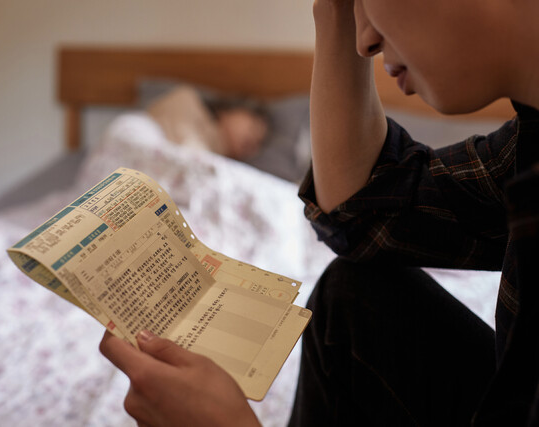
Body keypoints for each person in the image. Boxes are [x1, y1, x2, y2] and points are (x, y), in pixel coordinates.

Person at [99, 1, 539, 426]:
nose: (364, 41)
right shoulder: (527, 144)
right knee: (351, 294)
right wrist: (332, 12)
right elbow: (364, 215)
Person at [146, 85, 270, 160]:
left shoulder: (224, 171)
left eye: (258, 143)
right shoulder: (186, 100)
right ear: (232, 109)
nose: (253, 139)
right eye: (253, 127)